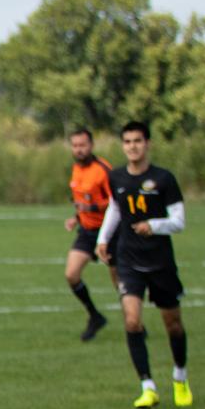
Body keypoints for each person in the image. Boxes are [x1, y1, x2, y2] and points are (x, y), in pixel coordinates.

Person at [96, 121, 191, 409]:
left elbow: (179, 221)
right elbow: (115, 207)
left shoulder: (164, 179)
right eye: (127, 141)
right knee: (132, 320)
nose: (132, 146)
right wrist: (103, 238)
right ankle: (147, 386)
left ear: (147, 143)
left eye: (138, 141)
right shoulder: (116, 177)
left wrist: (154, 225)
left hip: (160, 262)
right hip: (129, 260)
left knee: (173, 325)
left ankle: (180, 376)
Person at [63, 128, 120, 341]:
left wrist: (93, 209)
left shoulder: (103, 170)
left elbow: (116, 203)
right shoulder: (76, 169)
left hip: (110, 232)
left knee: (119, 284)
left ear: (91, 145)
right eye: (75, 145)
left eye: (82, 145)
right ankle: (95, 316)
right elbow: (83, 201)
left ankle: (135, 324)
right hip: (87, 232)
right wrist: (76, 217)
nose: (79, 149)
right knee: (71, 275)